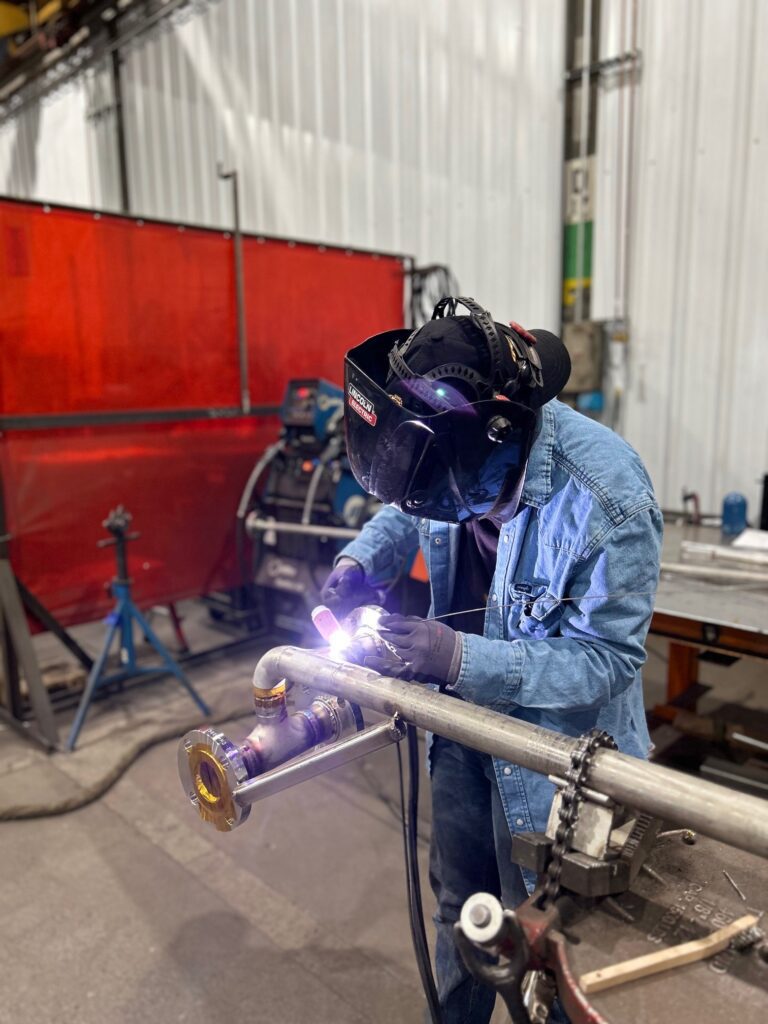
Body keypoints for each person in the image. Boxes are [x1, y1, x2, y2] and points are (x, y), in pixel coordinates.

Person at [320, 297, 663, 1024]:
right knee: (463, 908)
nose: (438, 507)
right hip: (461, 735)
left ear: (497, 443)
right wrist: (359, 561)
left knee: (549, 937)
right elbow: (408, 503)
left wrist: (457, 655)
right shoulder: (449, 448)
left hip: (560, 762)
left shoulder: (608, 495)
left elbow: (606, 663)